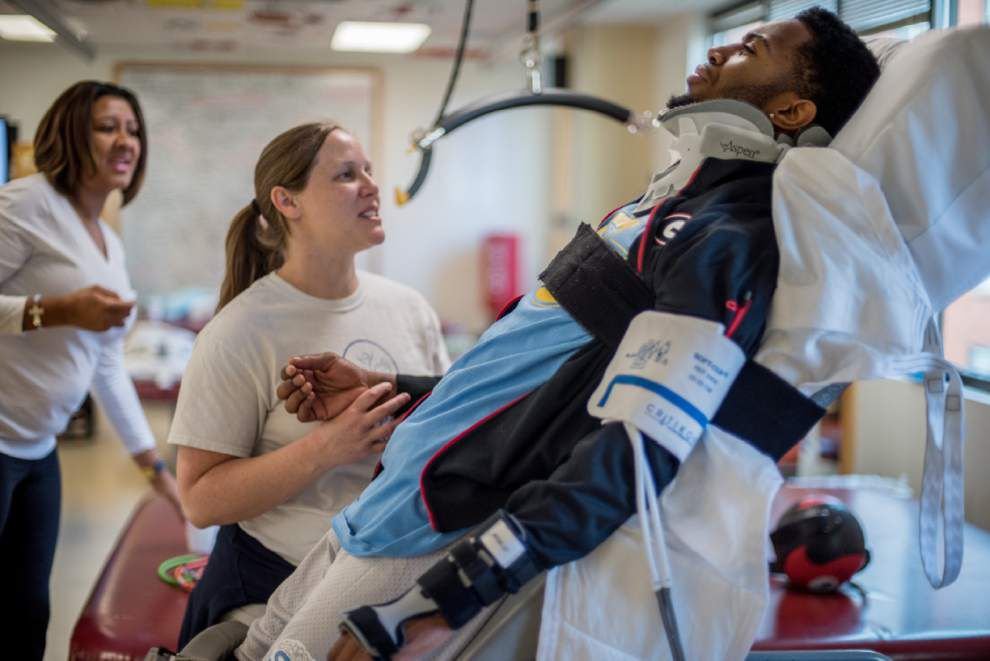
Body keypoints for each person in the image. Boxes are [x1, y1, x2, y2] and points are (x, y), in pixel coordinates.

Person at [238, 9, 881, 661]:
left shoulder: (729, 239)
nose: (720, 50)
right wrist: (393, 388)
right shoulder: (659, 207)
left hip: (437, 524)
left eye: (751, 47)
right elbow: (536, 375)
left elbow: (640, 446)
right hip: (393, 492)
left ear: (792, 111)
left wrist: (454, 593)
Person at [169, 122, 450, 646]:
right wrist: (327, 448)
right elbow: (201, 501)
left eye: (368, 171)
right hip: (279, 588)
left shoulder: (410, 309)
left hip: (393, 581)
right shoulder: (239, 332)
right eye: (346, 175)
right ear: (287, 201)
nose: (371, 186)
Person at [0, 80, 182, 659]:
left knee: (29, 612)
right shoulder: (26, 203)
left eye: (133, 130)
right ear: (71, 134)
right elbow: (58, 314)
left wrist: (156, 469)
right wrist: (54, 310)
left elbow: (104, 363)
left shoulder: (107, 242)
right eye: (108, 127)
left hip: (38, 452)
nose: (125, 141)